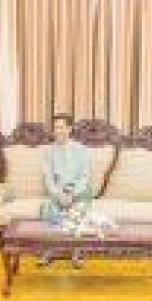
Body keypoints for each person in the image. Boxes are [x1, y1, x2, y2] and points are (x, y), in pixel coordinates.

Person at [39, 113, 91, 268]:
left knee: (77, 211)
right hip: (58, 192)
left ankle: (76, 251)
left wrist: (72, 194)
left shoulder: (81, 150)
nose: (58, 131)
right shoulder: (49, 151)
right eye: (55, 128)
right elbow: (48, 178)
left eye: (61, 127)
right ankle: (50, 250)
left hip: (79, 192)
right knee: (48, 209)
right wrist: (58, 194)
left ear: (69, 129)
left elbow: (84, 177)